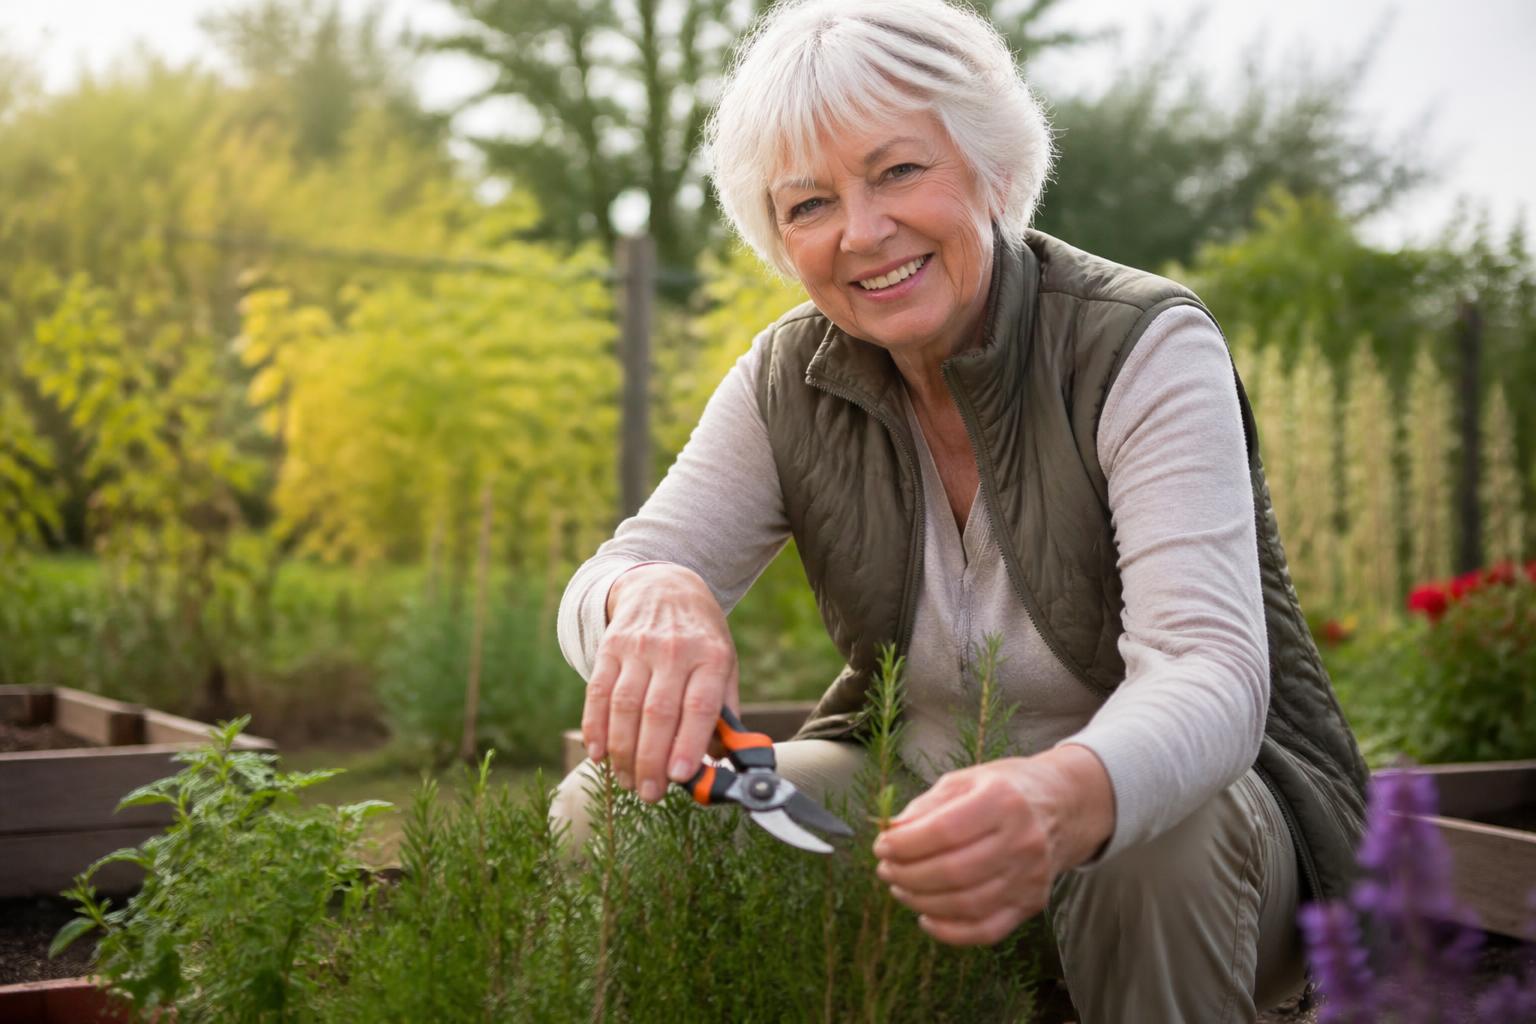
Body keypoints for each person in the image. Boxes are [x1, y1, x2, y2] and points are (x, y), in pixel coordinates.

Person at [553, 0, 1369, 1019]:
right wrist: (652, 595)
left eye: (898, 171)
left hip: (1203, 835)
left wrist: (1060, 797)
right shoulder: (787, 378)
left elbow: (1212, 675)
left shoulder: (1139, 345)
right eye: (808, 204)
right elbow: (603, 580)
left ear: (991, 166)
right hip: (917, 808)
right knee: (609, 806)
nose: (862, 232)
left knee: (1153, 845)